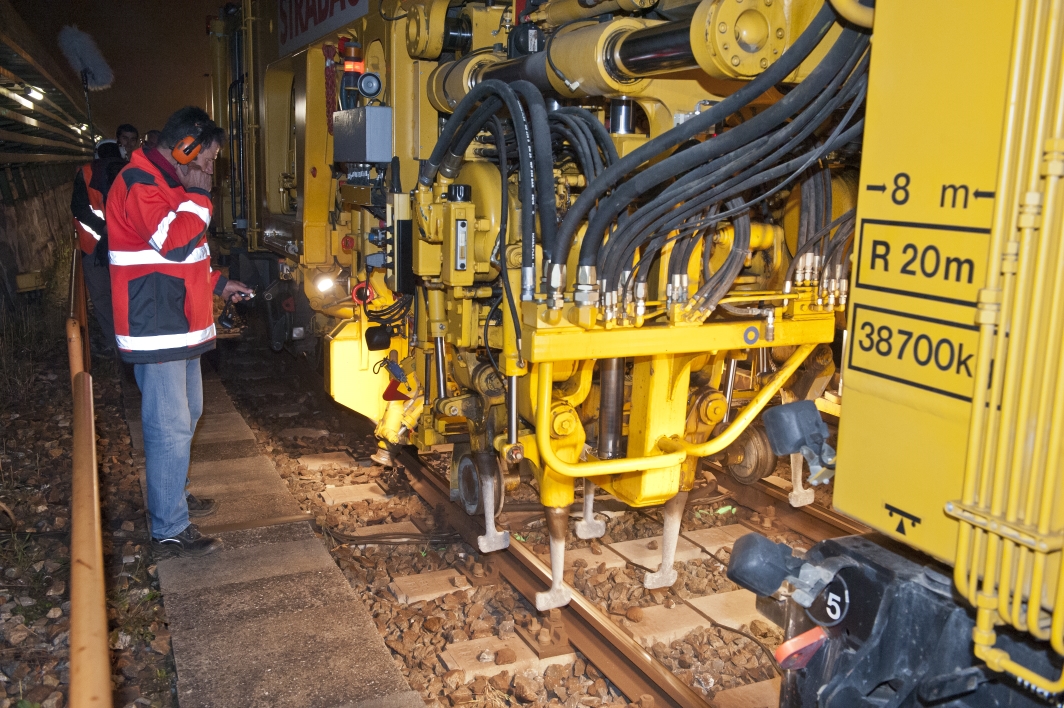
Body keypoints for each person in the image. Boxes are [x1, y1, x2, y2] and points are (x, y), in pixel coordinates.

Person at [107, 106, 252, 557]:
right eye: (207, 160)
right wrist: (200, 198)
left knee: (187, 416)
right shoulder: (138, 182)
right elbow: (171, 242)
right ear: (184, 147)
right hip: (158, 325)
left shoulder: (167, 183)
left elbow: (186, 257)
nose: (209, 171)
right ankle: (169, 527)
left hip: (179, 321)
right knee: (168, 426)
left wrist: (219, 284)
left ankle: (172, 495)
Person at [70, 138, 125, 353]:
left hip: (93, 247)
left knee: (102, 296)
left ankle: (114, 342)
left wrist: (102, 228)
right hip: (127, 246)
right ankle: (132, 338)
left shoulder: (85, 172)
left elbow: (79, 208)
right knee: (127, 294)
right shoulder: (131, 170)